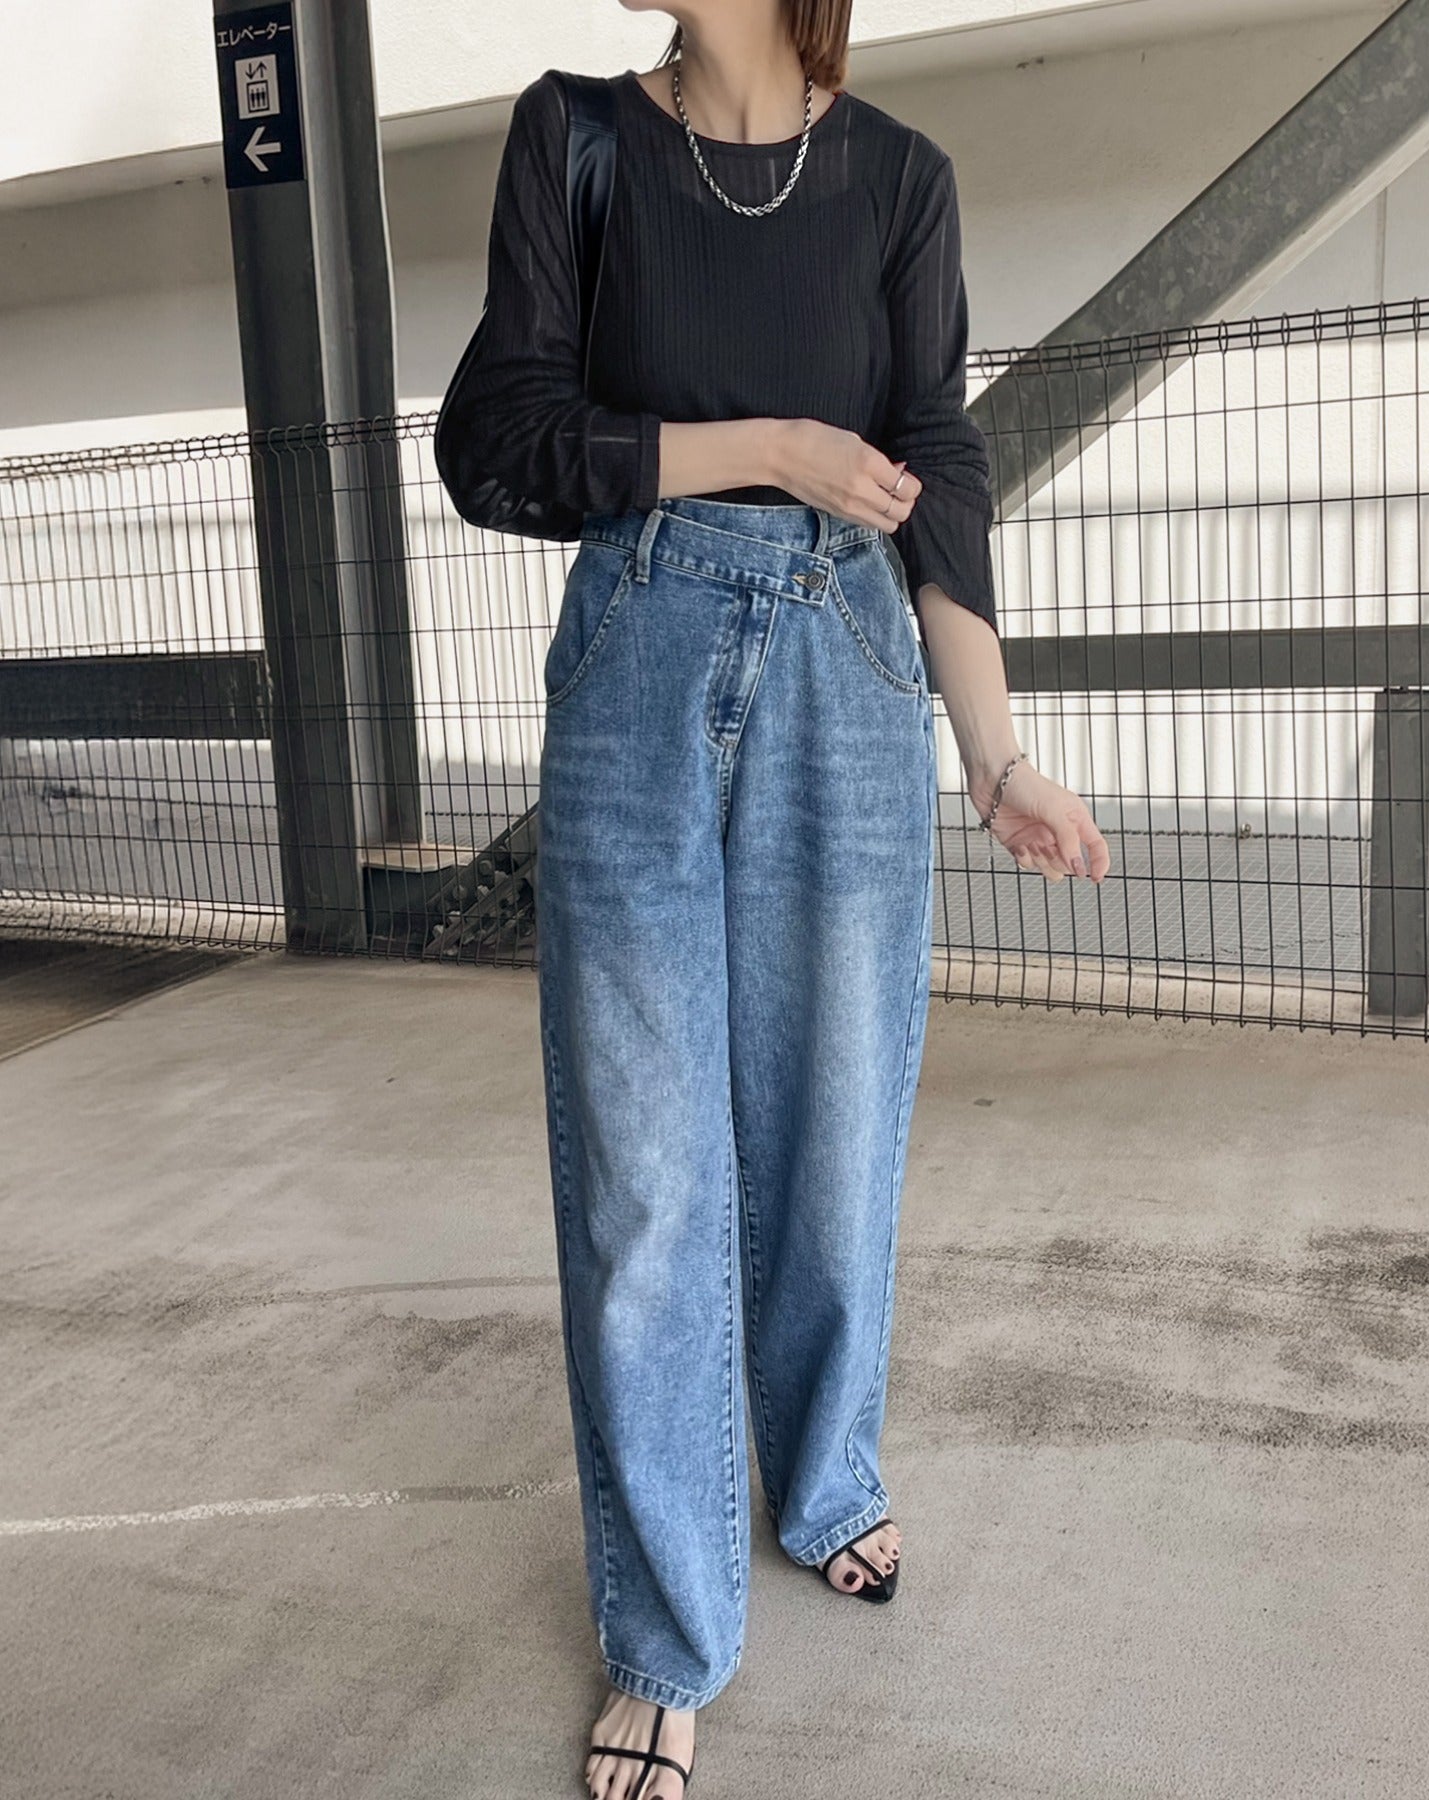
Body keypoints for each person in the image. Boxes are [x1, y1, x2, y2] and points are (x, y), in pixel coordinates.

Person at [452, 5, 1111, 1794]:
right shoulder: (578, 138)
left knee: (835, 1129)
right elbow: (498, 439)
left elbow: (936, 465)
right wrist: (762, 447)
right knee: (646, 1173)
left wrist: (995, 756)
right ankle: (669, 1637)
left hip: (850, 660)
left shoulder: (897, 178)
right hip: (641, 649)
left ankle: (824, 1481)